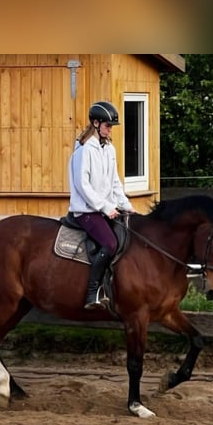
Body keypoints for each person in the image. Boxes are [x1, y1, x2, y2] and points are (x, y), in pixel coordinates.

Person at [68, 100, 136, 310]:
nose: (109, 129)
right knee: (111, 244)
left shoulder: (109, 149)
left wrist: (127, 205)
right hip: (86, 211)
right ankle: (92, 292)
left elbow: (114, 181)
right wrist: (106, 207)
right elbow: (83, 185)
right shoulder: (84, 150)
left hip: (105, 209)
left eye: (111, 126)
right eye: (107, 125)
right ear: (96, 124)